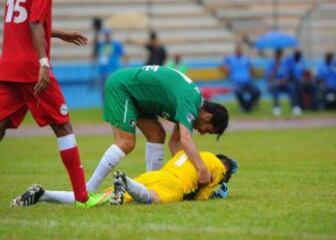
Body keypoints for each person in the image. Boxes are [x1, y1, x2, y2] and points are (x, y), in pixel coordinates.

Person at [0, 0, 103, 207]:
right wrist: (44, 63)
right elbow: (34, 23)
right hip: (32, 70)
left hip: (9, 67)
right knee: (63, 126)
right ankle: (82, 197)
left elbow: (24, 23)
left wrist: (58, 33)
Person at [83, 65, 229, 198]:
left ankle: (150, 185)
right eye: (208, 130)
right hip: (122, 87)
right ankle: (88, 190)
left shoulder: (192, 102)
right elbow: (185, 139)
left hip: (138, 96)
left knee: (157, 135)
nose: (202, 133)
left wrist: (182, 174)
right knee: (126, 143)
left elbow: (175, 144)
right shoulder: (190, 102)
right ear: (208, 116)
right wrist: (201, 168)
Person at [11, 150, 238, 206]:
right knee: (152, 199)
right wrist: (218, 193)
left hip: (154, 175)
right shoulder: (218, 167)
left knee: (95, 200)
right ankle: (126, 182)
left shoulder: (189, 152)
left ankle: (43, 195)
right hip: (173, 184)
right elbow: (203, 194)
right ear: (225, 165)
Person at [221, 43, 260, 113]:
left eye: (240, 50)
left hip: (248, 81)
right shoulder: (230, 58)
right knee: (239, 92)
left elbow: (251, 67)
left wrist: (252, 75)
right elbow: (222, 66)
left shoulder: (246, 58)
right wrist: (227, 70)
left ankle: (247, 106)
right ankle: (245, 107)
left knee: (257, 91)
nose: (239, 51)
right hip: (237, 82)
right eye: (238, 50)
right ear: (235, 51)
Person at [266, 49, 301, 116]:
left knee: (292, 88)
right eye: (277, 55)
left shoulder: (285, 64)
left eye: (279, 55)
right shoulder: (271, 64)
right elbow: (269, 78)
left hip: (284, 84)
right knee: (274, 89)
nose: (278, 56)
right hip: (275, 84)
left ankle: (295, 107)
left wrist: (283, 80)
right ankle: (276, 107)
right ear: (275, 56)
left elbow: (288, 75)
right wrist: (275, 69)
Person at [96, 28, 125, 101]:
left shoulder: (116, 44)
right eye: (105, 35)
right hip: (102, 70)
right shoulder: (101, 44)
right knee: (103, 89)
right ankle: (104, 105)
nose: (106, 36)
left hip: (113, 70)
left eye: (108, 34)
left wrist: (125, 67)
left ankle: (115, 102)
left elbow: (123, 55)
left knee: (114, 88)